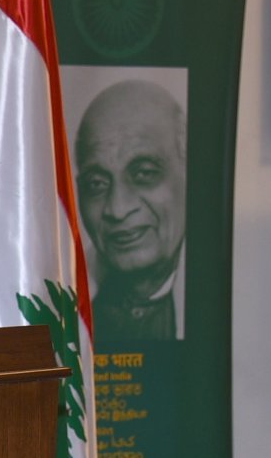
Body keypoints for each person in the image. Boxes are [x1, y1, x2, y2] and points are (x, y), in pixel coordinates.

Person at [73, 80, 187, 339]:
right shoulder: (56, 303)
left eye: (144, 173)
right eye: (97, 184)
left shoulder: (230, 295)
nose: (118, 209)